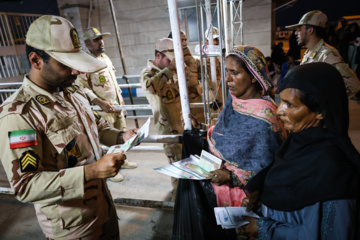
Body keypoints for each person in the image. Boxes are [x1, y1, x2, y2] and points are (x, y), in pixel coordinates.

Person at [0, 15, 138, 239]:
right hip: (75, 228)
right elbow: (26, 186)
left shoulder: (72, 92)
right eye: (66, 65)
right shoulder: (20, 114)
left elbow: (98, 126)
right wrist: (92, 172)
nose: (77, 72)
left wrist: (122, 136)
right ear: (36, 61)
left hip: (104, 208)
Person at [172, 46, 286, 239]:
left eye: (234, 73)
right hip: (218, 180)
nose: (227, 79)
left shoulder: (265, 118)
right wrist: (199, 127)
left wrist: (231, 177)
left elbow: (270, 167)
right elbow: (224, 135)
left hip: (246, 198)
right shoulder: (235, 101)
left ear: (253, 76)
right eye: (226, 72)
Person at [242, 62, 360, 239]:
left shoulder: (334, 168)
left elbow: (331, 234)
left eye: (290, 105)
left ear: (320, 111)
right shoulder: (296, 143)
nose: (279, 111)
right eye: (281, 101)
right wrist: (260, 191)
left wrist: (264, 228)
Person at [76, 27, 137, 182]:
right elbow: (82, 87)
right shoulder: (84, 63)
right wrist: (99, 102)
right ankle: (111, 170)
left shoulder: (104, 58)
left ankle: (122, 161)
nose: (101, 42)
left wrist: (120, 99)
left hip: (116, 107)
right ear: (87, 44)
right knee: (107, 139)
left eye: (101, 38)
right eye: (96, 39)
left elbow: (113, 83)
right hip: (102, 110)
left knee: (121, 135)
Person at [139, 38, 183, 199]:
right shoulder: (147, 73)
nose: (170, 63)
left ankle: (185, 195)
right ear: (158, 55)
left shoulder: (169, 70)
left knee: (186, 162)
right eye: (168, 59)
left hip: (180, 123)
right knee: (177, 167)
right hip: (168, 127)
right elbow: (150, 86)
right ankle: (178, 200)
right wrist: (169, 70)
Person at [286, 10, 360, 98]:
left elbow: (353, 84)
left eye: (299, 29)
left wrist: (323, 101)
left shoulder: (327, 54)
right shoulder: (309, 52)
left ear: (310, 30)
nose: (296, 33)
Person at [168, 31, 204, 123]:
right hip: (179, 108)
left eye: (185, 40)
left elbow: (201, 78)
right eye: (181, 40)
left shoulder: (193, 60)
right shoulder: (168, 63)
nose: (185, 43)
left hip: (196, 106)